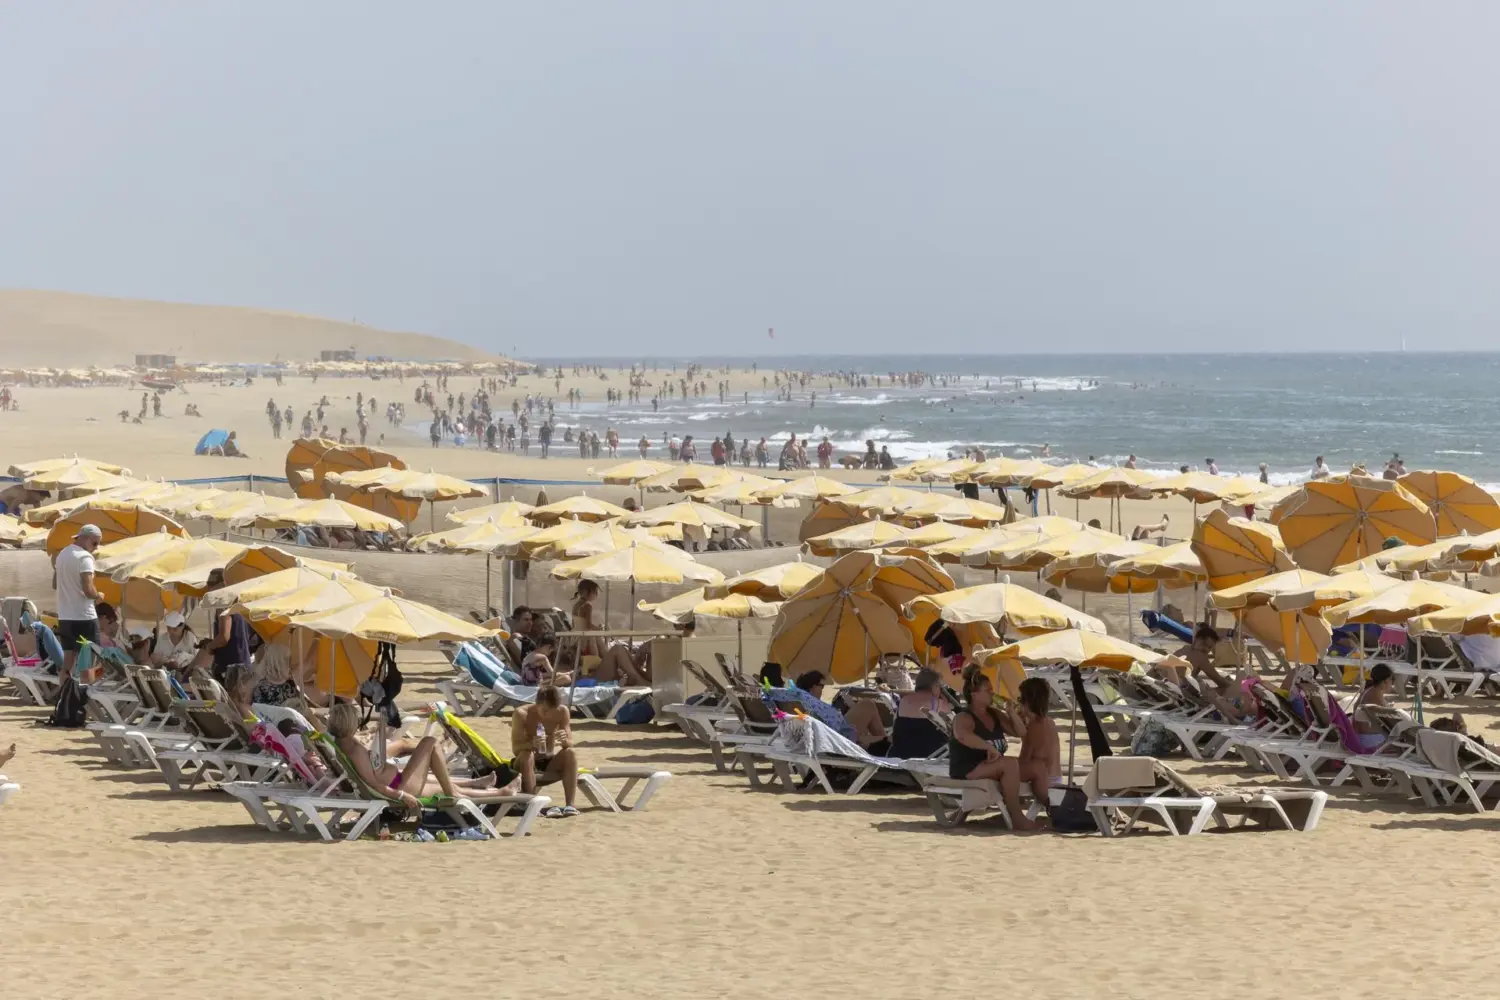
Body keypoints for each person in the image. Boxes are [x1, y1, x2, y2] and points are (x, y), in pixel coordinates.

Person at [327, 702, 512, 810]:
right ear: (350, 723)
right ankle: (464, 792)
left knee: (442, 785)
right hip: (399, 786)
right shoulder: (355, 750)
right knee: (429, 742)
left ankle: (497, 791)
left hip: (398, 780)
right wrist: (401, 796)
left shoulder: (344, 744)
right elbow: (375, 784)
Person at [947, 666, 1036, 830]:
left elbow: (1021, 732)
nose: (992, 694)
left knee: (1034, 767)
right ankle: (1016, 816)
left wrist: (1011, 712)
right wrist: (989, 747)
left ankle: (1047, 806)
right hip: (968, 767)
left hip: (990, 766)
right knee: (1009, 764)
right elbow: (962, 735)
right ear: (974, 695)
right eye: (987, 690)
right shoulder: (964, 716)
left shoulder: (995, 714)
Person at [512, 686, 580, 817]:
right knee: (527, 755)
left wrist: (565, 741)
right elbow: (516, 749)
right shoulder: (521, 714)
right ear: (537, 704)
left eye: (552, 710)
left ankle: (570, 806)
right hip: (525, 761)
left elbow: (570, 743)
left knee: (570, 752)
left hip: (549, 760)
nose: (549, 715)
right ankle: (532, 804)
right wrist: (531, 744)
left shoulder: (562, 711)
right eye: (545, 710)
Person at [54, 523, 103, 682]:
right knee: (88, 663)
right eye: (95, 543)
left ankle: (64, 699)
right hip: (84, 617)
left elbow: (55, 584)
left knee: (68, 662)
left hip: (65, 617)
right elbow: (88, 590)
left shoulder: (62, 554)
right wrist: (98, 595)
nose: (96, 548)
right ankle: (85, 702)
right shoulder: (85, 557)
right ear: (86, 538)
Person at [1015, 677, 1061, 806]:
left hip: (1046, 784)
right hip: (1056, 779)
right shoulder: (1050, 722)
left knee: (1006, 769)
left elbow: (1024, 759)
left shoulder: (1034, 727)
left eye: (1020, 700)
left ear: (1027, 702)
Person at [889, 668, 949, 759]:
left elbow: (895, 731)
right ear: (935, 686)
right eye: (940, 687)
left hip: (901, 754)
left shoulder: (904, 700)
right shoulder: (939, 704)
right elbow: (951, 732)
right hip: (931, 755)